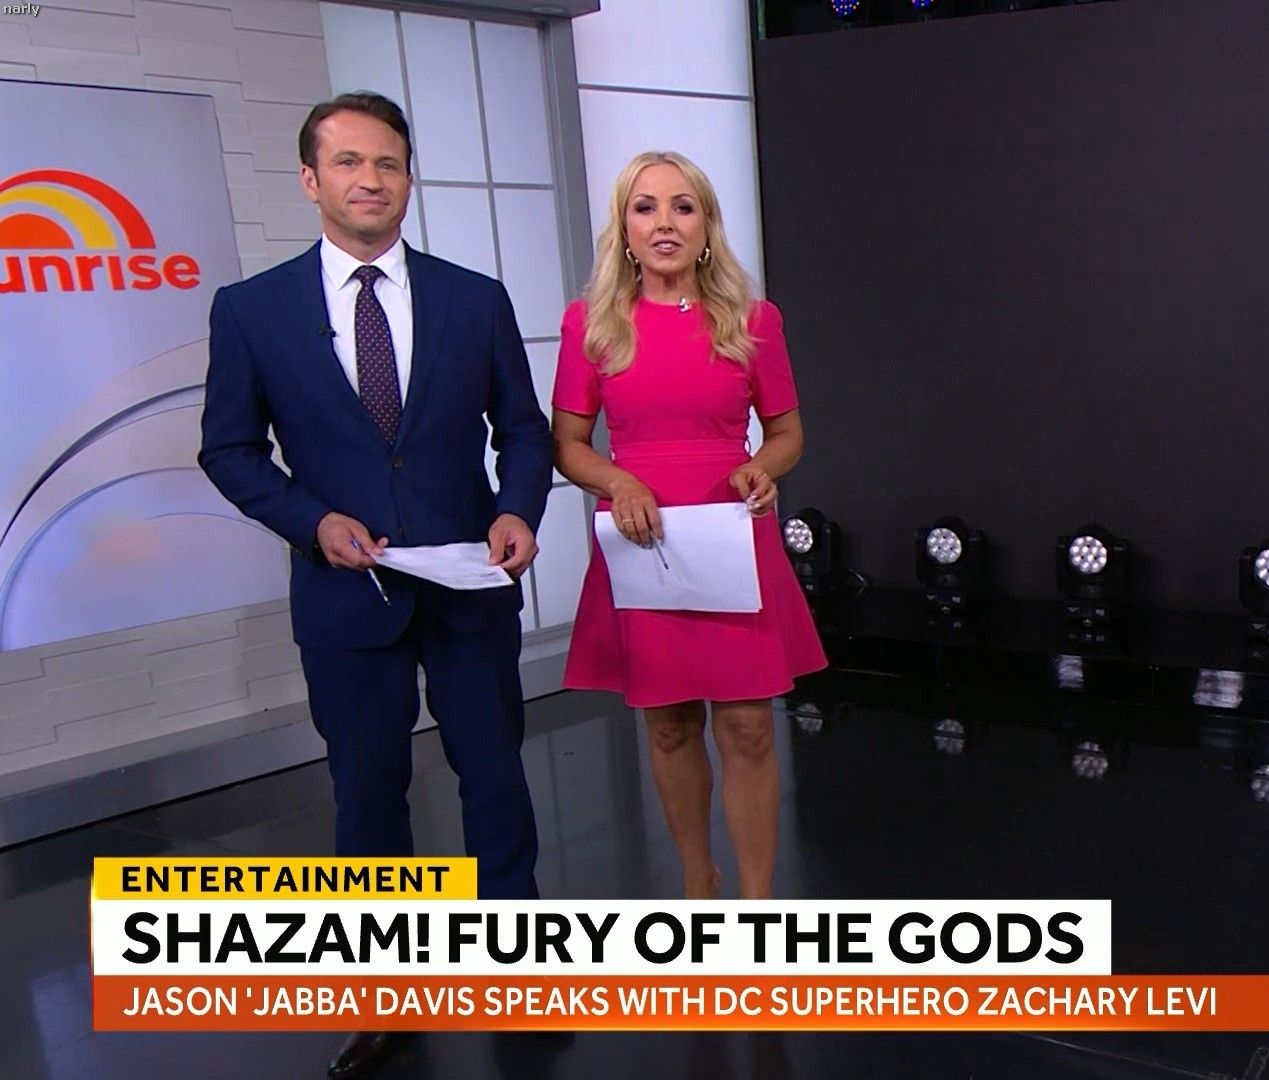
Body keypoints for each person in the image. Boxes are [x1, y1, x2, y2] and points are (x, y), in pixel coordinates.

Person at [197, 92, 550, 1079]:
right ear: (310, 180)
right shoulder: (253, 310)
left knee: (496, 780)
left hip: (469, 579)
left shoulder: (473, 298)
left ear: (408, 177)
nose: (370, 180)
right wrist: (311, 521)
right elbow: (229, 449)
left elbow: (523, 430)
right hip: (345, 594)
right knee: (366, 794)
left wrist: (519, 509)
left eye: (387, 162)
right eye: (348, 162)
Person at [552, 150, 826, 901]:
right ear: (624, 228)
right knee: (669, 724)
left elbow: (788, 433)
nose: (664, 222)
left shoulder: (753, 320)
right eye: (645, 207)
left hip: (732, 529)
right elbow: (568, 444)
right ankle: (697, 884)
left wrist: (762, 467)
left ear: (707, 225)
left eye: (683, 206)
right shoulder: (591, 323)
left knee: (747, 726)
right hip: (642, 537)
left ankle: (757, 905)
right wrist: (617, 480)